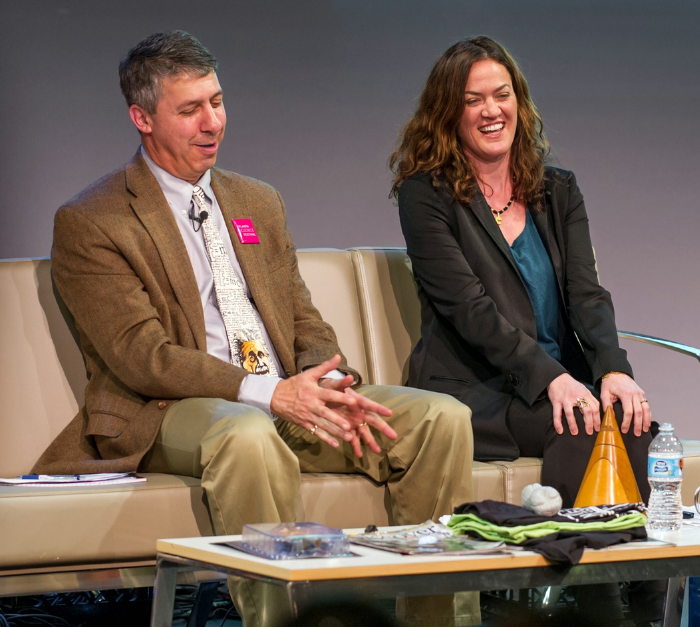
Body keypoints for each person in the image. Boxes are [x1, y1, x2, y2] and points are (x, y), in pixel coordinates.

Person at [31, 31, 473, 627]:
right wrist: (268, 393)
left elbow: (300, 313)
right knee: (245, 433)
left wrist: (329, 378)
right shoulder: (93, 220)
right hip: (169, 408)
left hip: (286, 394)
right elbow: (143, 357)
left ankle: (434, 620)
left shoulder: (256, 200)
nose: (211, 122)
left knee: (440, 419)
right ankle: (293, 621)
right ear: (141, 117)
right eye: (189, 110)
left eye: (216, 101)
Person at [389, 36, 660, 625]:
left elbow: (587, 293)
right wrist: (552, 378)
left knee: (633, 422)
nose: (492, 110)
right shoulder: (425, 195)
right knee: (582, 422)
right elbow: (470, 309)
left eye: (502, 94)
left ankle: (643, 598)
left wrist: (612, 368)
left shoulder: (557, 191)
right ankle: (595, 604)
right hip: (474, 388)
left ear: (520, 101)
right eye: (473, 99)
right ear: (448, 114)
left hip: (553, 382)